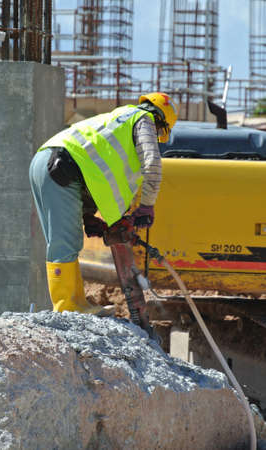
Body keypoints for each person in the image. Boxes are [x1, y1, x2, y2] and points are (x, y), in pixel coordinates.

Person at [29, 92, 178, 314]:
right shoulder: (143, 120)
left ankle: (76, 303)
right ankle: (66, 306)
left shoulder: (120, 119)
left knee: (65, 242)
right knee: (64, 243)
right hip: (60, 167)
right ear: (161, 122)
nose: (157, 137)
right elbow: (153, 165)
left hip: (50, 162)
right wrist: (147, 205)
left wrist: (88, 215)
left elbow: (92, 168)